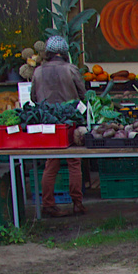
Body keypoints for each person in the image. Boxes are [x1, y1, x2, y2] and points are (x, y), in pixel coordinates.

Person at [29, 35, 86, 217]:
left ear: (48, 53)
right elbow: (82, 95)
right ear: (65, 53)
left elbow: (33, 98)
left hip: (48, 124)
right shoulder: (71, 69)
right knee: (74, 162)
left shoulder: (37, 72)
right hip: (70, 122)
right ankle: (77, 203)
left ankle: (48, 204)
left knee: (50, 163)